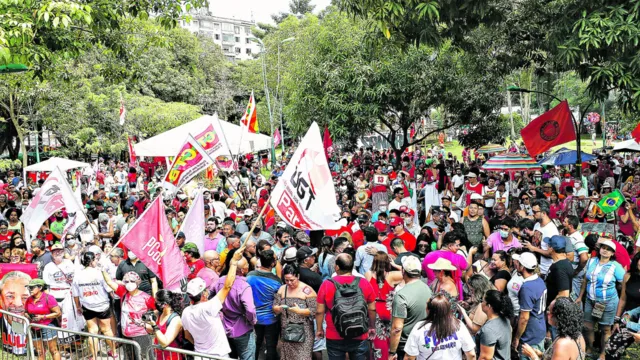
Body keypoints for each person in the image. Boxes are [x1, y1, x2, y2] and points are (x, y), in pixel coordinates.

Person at [181, 248, 244, 358]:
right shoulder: (209, 307)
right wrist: (233, 262)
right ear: (204, 294)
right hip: (218, 356)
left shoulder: (185, 312)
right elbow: (227, 286)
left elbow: (187, 336)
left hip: (199, 355)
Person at [316, 253, 376, 360]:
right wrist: (371, 326)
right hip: (359, 332)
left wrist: (320, 329)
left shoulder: (327, 284)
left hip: (334, 334)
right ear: (352, 266)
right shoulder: (364, 282)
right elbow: (372, 308)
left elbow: (320, 311)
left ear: (337, 267)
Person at [577, 238, 625, 359]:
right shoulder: (591, 261)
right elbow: (585, 280)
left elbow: (622, 284)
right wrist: (580, 296)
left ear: (612, 253)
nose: (605, 251)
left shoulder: (615, 266)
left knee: (605, 329)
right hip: (590, 300)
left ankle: (603, 354)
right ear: (599, 249)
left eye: (609, 250)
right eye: (603, 248)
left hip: (606, 302)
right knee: (588, 327)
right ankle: (590, 348)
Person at [72, 252, 118, 360]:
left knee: (92, 331)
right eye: (95, 260)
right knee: (106, 330)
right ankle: (114, 352)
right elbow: (110, 289)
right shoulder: (100, 273)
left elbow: (75, 294)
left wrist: (78, 306)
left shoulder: (78, 275)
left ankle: (94, 356)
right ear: (92, 260)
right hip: (103, 305)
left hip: (87, 306)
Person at [101, 269, 155, 360]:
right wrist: (102, 269)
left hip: (141, 334)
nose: (129, 283)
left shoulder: (146, 297)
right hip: (126, 334)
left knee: (145, 357)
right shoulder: (123, 293)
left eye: (132, 281)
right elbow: (109, 282)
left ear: (138, 283)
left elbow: (156, 310)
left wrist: (150, 323)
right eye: (127, 281)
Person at [404, 293, 476, 360]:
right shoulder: (458, 325)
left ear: (429, 310)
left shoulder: (419, 328)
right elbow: (471, 354)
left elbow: (409, 357)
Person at [213, 256, 257, 360]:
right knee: (247, 357)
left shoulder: (220, 281)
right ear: (243, 270)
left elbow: (211, 297)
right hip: (242, 328)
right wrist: (252, 320)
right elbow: (250, 309)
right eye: (246, 265)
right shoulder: (244, 286)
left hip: (224, 326)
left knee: (230, 357)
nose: (248, 266)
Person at [390, 256, 434, 360]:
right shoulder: (428, 289)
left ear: (403, 271)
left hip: (406, 347)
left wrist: (392, 352)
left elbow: (397, 328)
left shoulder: (401, 295)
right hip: (425, 342)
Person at [273, 264, 318, 360]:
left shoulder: (307, 290)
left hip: (303, 331)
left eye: (292, 280)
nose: (289, 283)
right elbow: (275, 306)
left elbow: (315, 310)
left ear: (297, 276)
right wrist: (277, 309)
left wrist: (300, 311)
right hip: (287, 330)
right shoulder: (282, 289)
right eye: (286, 280)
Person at [365, 252, 403, 360]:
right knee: (388, 339)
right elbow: (410, 273)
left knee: (376, 340)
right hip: (388, 308)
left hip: (373, 309)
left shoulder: (368, 274)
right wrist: (395, 265)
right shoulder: (391, 275)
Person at [521, 298, 585, 360]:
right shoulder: (579, 335)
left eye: (550, 312)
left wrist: (532, 355)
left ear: (559, 317)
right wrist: (541, 354)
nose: (547, 313)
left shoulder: (562, 344)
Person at [247, 249, 282, 360]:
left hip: (253, 318)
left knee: (255, 345)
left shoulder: (249, 276)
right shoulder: (277, 281)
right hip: (271, 319)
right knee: (271, 346)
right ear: (272, 264)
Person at [513, 252, 547, 360]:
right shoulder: (539, 280)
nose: (516, 264)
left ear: (522, 267)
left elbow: (524, 318)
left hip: (530, 334)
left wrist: (517, 337)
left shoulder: (527, 288)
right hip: (540, 327)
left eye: (518, 263)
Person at [423, 232, 468, 300]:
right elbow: (466, 266)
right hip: (453, 294)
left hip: (431, 293)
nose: (459, 247)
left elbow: (424, 272)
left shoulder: (428, 255)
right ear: (450, 246)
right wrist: (470, 253)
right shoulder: (458, 257)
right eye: (457, 245)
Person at [143, 290, 186, 360]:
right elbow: (158, 332)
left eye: (157, 302)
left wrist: (154, 326)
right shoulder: (159, 313)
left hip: (173, 357)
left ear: (165, 304)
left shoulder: (175, 319)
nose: (155, 304)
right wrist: (144, 325)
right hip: (160, 355)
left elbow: (165, 342)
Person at [25, 279, 62, 360]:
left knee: (53, 350)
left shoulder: (49, 298)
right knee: (39, 352)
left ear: (40, 287)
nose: (29, 289)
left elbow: (58, 313)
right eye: (29, 287)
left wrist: (43, 317)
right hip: (34, 327)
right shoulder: (29, 299)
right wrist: (28, 315)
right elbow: (25, 312)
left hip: (48, 326)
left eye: (32, 287)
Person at [477, 290, 513, 360]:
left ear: (488, 306)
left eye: (482, 301)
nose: (481, 303)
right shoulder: (505, 319)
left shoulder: (488, 330)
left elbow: (485, 358)